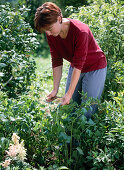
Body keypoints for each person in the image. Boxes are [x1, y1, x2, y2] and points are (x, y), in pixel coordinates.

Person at [34, 2, 107, 119]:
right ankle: (72, 137)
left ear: (59, 18)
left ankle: (87, 137)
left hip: (95, 67)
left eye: (49, 29)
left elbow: (79, 64)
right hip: (76, 66)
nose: (48, 33)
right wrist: (55, 89)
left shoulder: (80, 31)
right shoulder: (52, 34)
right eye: (45, 31)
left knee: (87, 110)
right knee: (71, 108)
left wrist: (68, 94)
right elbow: (56, 60)